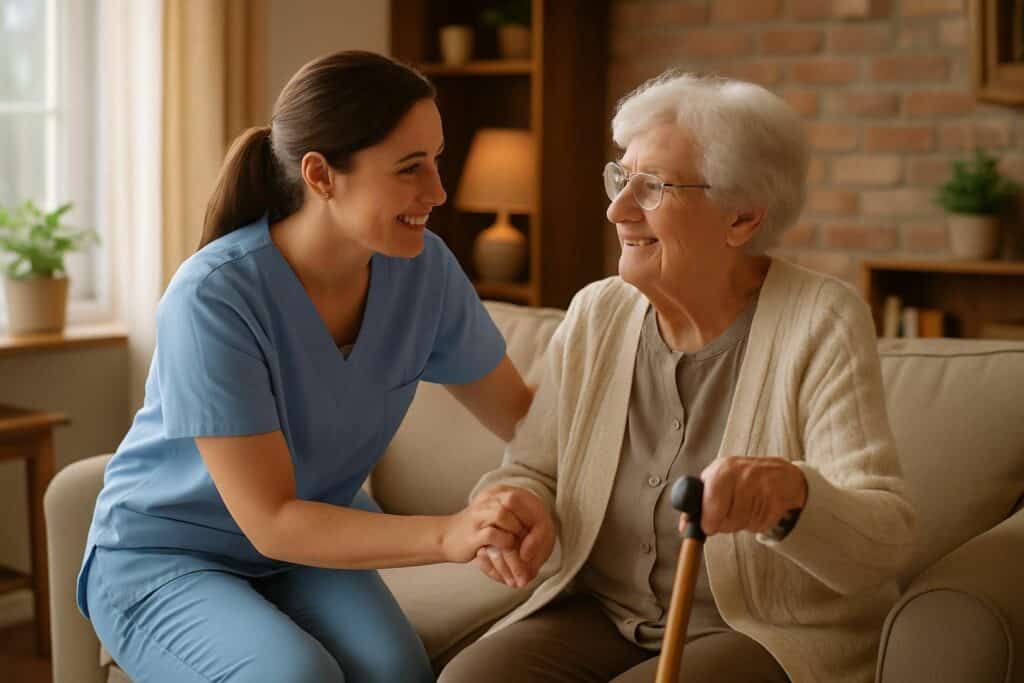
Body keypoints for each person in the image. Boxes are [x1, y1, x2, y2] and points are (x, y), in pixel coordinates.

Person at [77, 51, 546, 683]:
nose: (438, 191)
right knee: (295, 676)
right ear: (321, 175)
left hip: (305, 544)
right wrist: (449, 534)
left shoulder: (425, 271)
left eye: (437, 159)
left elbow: (525, 419)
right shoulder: (214, 296)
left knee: (397, 672)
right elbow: (272, 519)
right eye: (410, 167)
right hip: (165, 555)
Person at [440, 71, 917, 683]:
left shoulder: (820, 319)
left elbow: (883, 543)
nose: (617, 210)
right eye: (621, 180)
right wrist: (514, 504)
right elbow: (532, 467)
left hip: (756, 629)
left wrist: (791, 497)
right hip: (602, 615)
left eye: (652, 188)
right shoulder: (597, 312)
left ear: (742, 218)